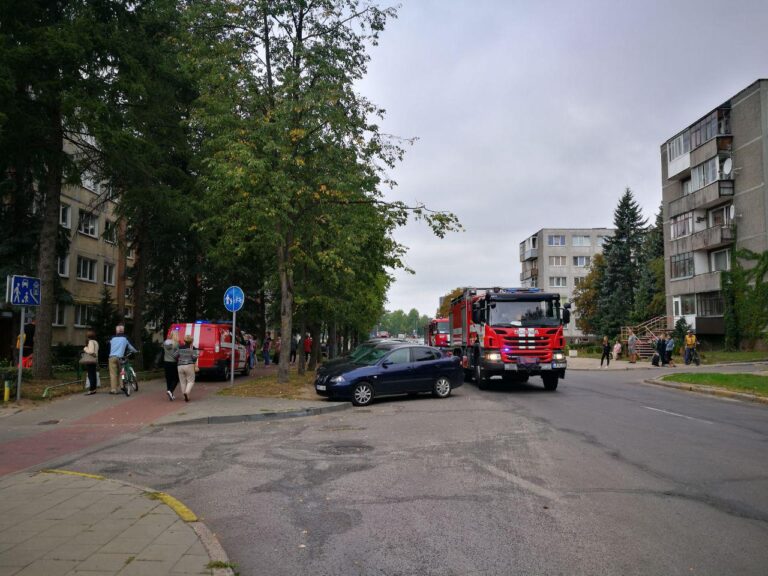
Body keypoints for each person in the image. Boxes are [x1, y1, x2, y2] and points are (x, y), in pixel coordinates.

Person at [108, 325, 138, 395]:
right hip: (120, 358)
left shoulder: (112, 338)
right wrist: (136, 351)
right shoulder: (125, 338)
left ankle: (113, 390)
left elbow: (109, 347)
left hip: (112, 357)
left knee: (113, 374)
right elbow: (130, 347)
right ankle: (122, 386)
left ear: (117, 331)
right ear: (123, 331)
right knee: (122, 372)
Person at [173, 334, 199, 402]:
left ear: (184, 341)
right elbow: (195, 358)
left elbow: (174, 356)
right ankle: (187, 393)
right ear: (191, 341)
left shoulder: (180, 348)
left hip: (180, 366)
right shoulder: (193, 348)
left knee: (182, 382)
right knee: (191, 381)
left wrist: (179, 360)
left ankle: (185, 397)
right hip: (189, 365)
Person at [162, 333, 179, 401]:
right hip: (173, 363)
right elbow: (177, 354)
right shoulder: (176, 344)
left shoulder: (165, 343)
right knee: (176, 378)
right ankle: (170, 390)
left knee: (168, 378)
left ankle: (170, 393)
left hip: (166, 362)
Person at [83, 329, 99, 395]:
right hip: (95, 360)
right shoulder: (96, 342)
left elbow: (91, 351)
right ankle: (94, 389)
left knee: (90, 375)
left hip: (90, 360)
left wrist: (85, 348)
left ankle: (91, 389)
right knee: (93, 374)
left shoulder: (90, 342)